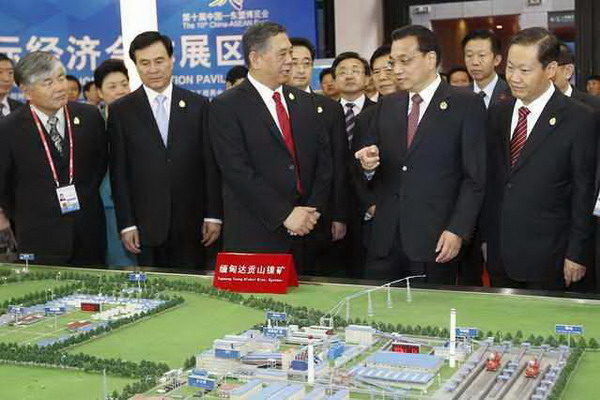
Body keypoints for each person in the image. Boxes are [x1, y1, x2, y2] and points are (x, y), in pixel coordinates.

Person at [354, 25, 487, 284]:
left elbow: (475, 177)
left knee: (426, 320)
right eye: (393, 62)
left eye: (405, 61)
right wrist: (368, 165)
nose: (397, 69)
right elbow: (375, 166)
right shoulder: (388, 104)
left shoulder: (465, 104)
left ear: (431, 59)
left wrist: (457, 229)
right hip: (385, 240)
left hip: (435, 239)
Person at [209, 22, 332, 273]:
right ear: (255, 58)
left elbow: (323, 162)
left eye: (291, 52)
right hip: (257, 234)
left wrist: (310, 213)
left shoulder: (305, 102)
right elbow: (236, 171)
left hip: (308, 233)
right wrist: (285, 215)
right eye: (283, 54)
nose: (291, 60)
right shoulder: (226, 106)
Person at [482, 28, 596, 290]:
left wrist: (576, 253)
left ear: (550, 69)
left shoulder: (580, 118)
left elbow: (583, 191)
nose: (514, 77)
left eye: (525, 70)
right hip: (501, 253)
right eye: (510, 68)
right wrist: (487, 240)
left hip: (552, 256)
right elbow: (494, 181)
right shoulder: (498, 113)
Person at [108, 31, 222, 269]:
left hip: (193, 223)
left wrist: (213, 214)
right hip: (145, 224)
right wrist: (127, 223)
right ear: (135, 66)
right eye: (144, 63)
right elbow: (119, 172)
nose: (153, 69)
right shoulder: (121, 111)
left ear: (172, 60)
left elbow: (210, 165)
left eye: (159, 61)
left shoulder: (198, 105)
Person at [0, 51, 107, 265]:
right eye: (47, 82)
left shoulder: (89, 117)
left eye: (60, 77)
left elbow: (99, 166)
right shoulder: (8, 129)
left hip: (88, 232)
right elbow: (5, 187)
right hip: (39, 236)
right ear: (26, 91)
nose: (59, 87)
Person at [289, 36, 349, 275]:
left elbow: (338, 164)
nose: (301, 69)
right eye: (294, 62)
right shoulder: (268, 108)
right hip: (280, 214)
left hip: (320, 213)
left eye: (306, 63)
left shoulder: (330, 108)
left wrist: (339, 214)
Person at [332, 51, 377, 277]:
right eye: (342, 72)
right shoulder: (324, 113)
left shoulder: (380, 112)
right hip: (334, 205)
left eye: (355, 71)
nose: (349, 76)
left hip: (370, 206)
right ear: (333, 79)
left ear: (368, 78)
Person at [92, 59, 135, 268]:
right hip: (107, 203)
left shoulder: (141, 120)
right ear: (99, 92)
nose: (120, 90)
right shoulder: (93, 122)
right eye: (112, 86)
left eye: (124, 84)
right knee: (116, 262)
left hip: (141, 202)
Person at [463, 29, 510, 109]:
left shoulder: (510, 94)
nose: (475, 62)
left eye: (482, 55)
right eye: (469, 55)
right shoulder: (460, 96)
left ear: (497, 60)